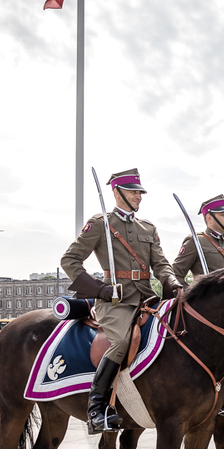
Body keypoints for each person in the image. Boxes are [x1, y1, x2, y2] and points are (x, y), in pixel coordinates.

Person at [61, 168, 181, 434]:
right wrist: (99, 289)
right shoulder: (101, 223)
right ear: (117, 193)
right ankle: (96, 408)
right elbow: (69, 260)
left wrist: (172, 283)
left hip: (147, 297)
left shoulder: (147, 227)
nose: (139, 196)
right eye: (133, 191)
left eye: (140, 192)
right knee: (121, 341)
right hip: (114, 301)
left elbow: (161, 264)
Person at [172, 195, 224, 283]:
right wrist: (189, 293)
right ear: (209, 218)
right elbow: (175, 275)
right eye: (223, 214)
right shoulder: (196, 241)